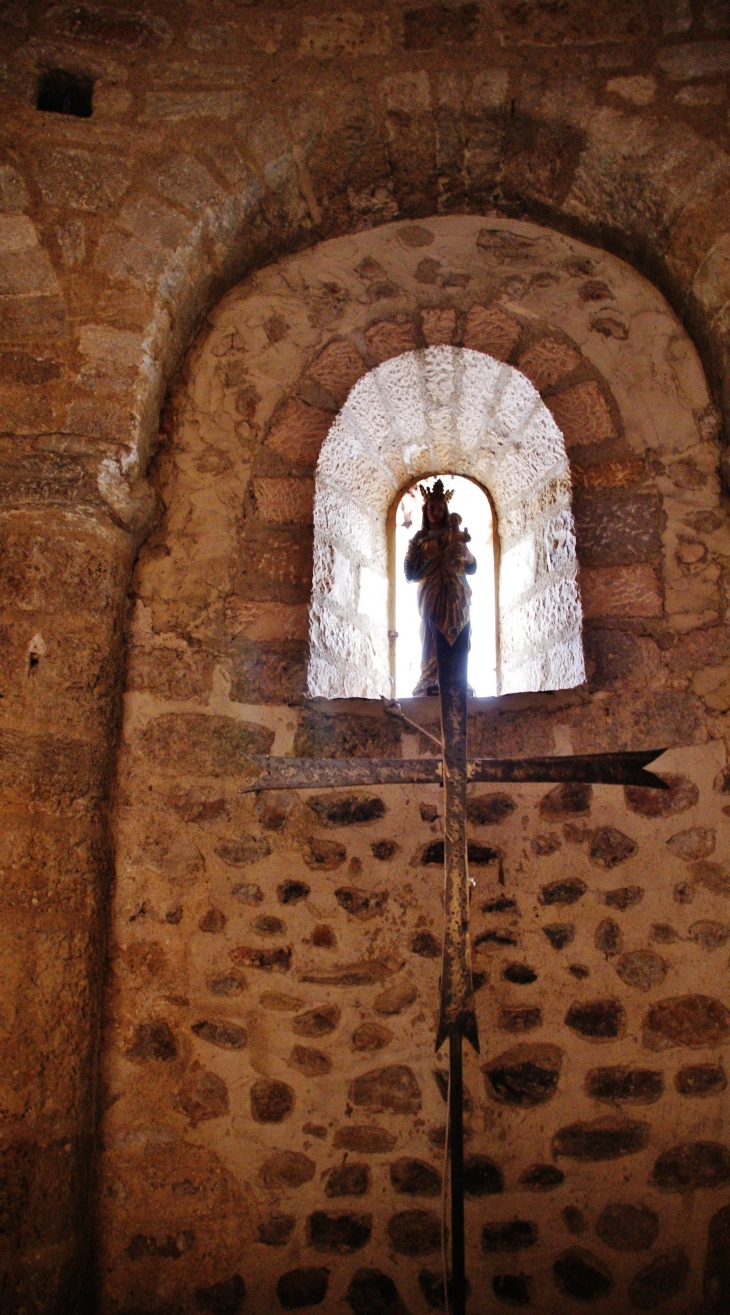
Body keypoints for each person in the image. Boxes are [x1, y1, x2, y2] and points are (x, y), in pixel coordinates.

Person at [404, 479, 477, 695]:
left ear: (445, 511)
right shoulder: (420, 540)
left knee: (456, 630)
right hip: (430, 595)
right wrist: (412, 548)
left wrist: (466, 554)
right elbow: (410, 573)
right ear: (425, 511)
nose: (435, 512)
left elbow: (471, 566)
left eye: (439, 508)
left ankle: (456, 676)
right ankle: (429, 676)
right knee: (429, 630)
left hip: (455, 593)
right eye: (431, 508)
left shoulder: (454, 537)